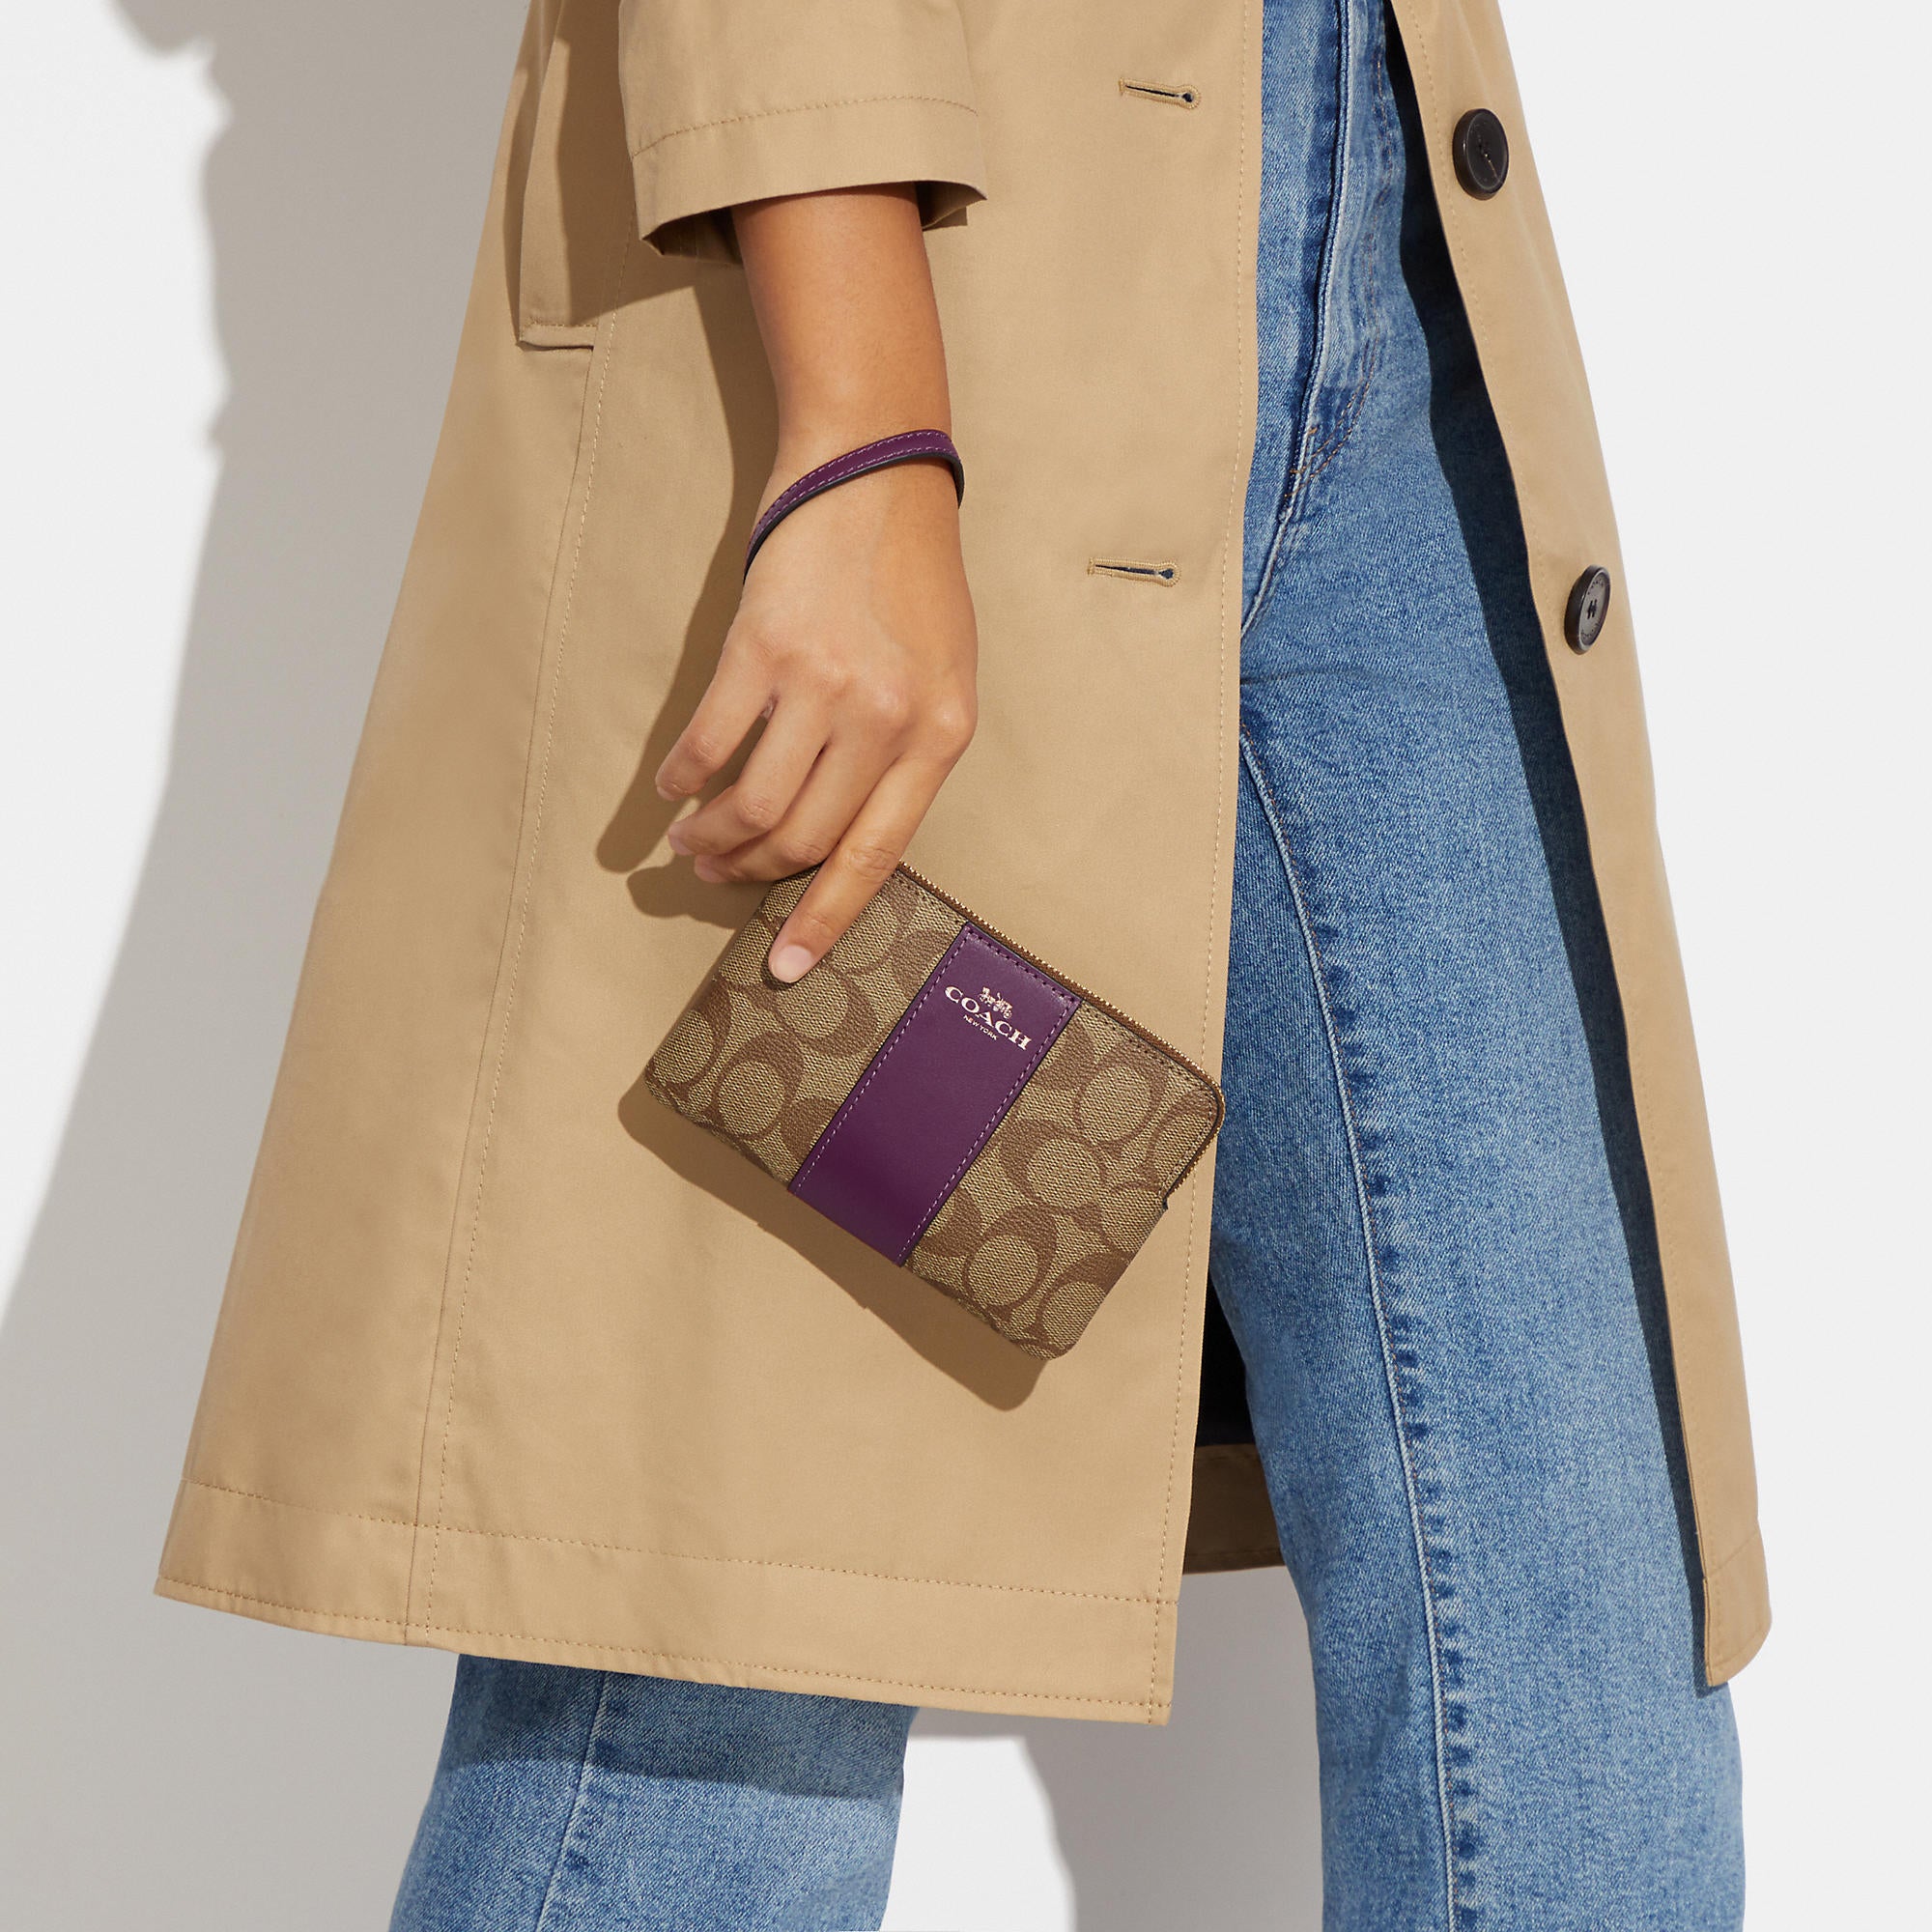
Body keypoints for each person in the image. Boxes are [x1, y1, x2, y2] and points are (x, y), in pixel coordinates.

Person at [156, 0, 1768, 1924]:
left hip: (1385, 242)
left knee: (1571, 1635)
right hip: (897, 256)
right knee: (734, 1625)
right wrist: (863, 423)